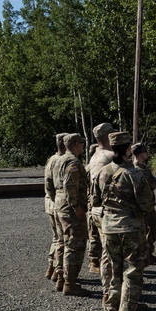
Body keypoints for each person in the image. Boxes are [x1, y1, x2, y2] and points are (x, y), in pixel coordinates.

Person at [93, 132, 156, 311]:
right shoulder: (134, 173)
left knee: (114, 272)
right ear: (128, 149)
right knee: (132, 275)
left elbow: (95, 200)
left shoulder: (102, 172)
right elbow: (147, 204)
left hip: (109, 228)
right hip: (131, 229)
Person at [53, 133, 89, 296]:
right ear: (75, 144)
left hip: (59, 203)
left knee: (64, 241)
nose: (83, 146)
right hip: (69, 207)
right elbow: (69, 185)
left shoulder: (59, 159)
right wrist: (76, 207)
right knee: (74, 244)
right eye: (81, 143)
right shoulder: (73, 162)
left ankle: (61, 278)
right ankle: (70, 282)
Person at [87, 122, 116, 275]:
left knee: (94, 235)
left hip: (94, 202)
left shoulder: (95, 155)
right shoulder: (109, 157)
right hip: (107, 204)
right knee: (108, 243)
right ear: (107, 136)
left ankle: (93, 261)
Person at [132, 142, 156, 264]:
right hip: (142, 206)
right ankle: (143, 256)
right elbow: (154, 183)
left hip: (149, 205)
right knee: (142, 232)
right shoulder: (137, 169)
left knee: (153, 227)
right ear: (140, 153)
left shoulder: (144, 167)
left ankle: (149, 253)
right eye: (145, 151)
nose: (147, 153)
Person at [43, 133, 68, 281]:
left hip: (49, 203)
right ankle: (57, 270)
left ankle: (52, 267)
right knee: (62, 239)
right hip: (58, 203)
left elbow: (47, 182)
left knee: (56, 237)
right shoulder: (63, 161)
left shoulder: (51, 159)